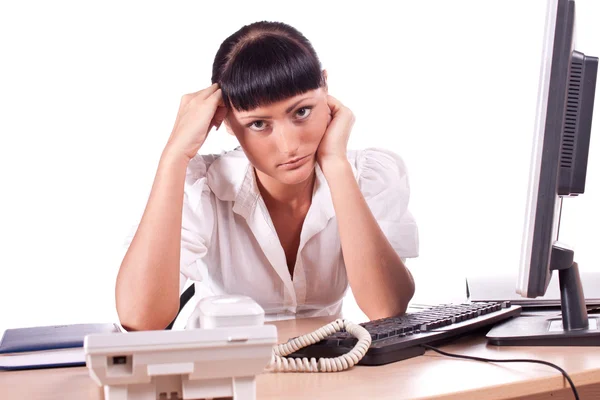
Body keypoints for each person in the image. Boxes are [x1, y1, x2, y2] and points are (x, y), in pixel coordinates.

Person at [115, 21, 419, 331]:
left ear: (325, 91)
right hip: (224, 371)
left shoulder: (368, 175)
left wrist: (336, 164)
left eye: (301, 112)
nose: (289, 147)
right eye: (259, 124)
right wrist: (173, 156)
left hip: (330, 373)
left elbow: (387, 308)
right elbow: (140, 319)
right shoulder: (203, 187)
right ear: (227, 120)